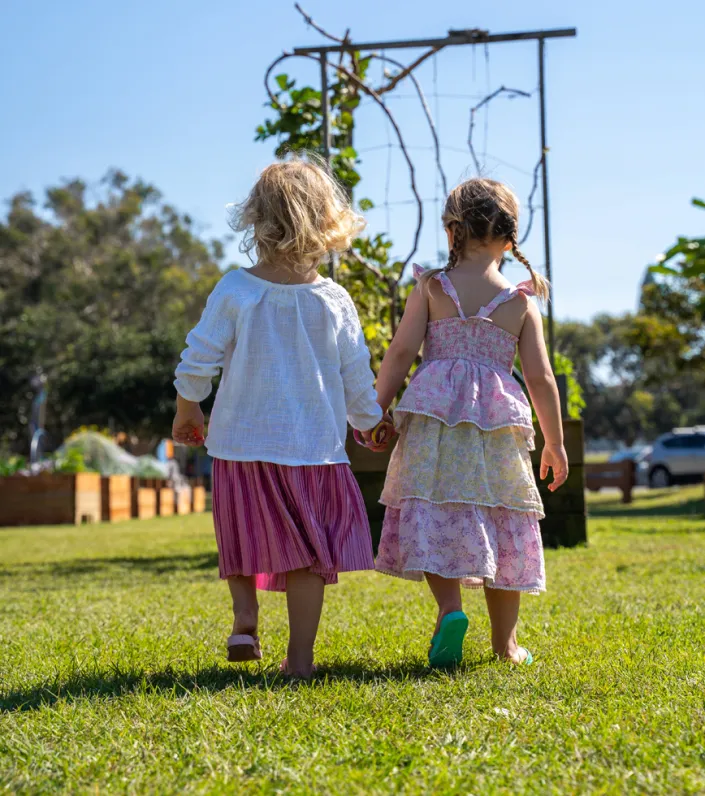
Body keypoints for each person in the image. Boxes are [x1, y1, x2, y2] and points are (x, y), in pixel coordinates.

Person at [173, 158, 388, 678]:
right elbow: (356, 374)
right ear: (326, 222)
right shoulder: (334, 300)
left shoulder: (236, 289)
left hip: (241, 443)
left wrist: (188, 406)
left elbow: (200, 355)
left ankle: (245, 618)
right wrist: (370, 422)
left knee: (243, 532)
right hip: (312, 449)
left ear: (257, 221)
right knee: (310, 555)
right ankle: (300, 658)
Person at [372, 178, 568, 667]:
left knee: (437, 511)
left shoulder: (433, 286)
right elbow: (542, 379)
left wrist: (375, 408)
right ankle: (505, 645)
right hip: (496, 427)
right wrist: (555, 444)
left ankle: (449, 611)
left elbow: (400, 352)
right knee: (505, 519)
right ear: (510, 238)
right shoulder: (520, 302)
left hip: (436, 421)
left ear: (451, 231)